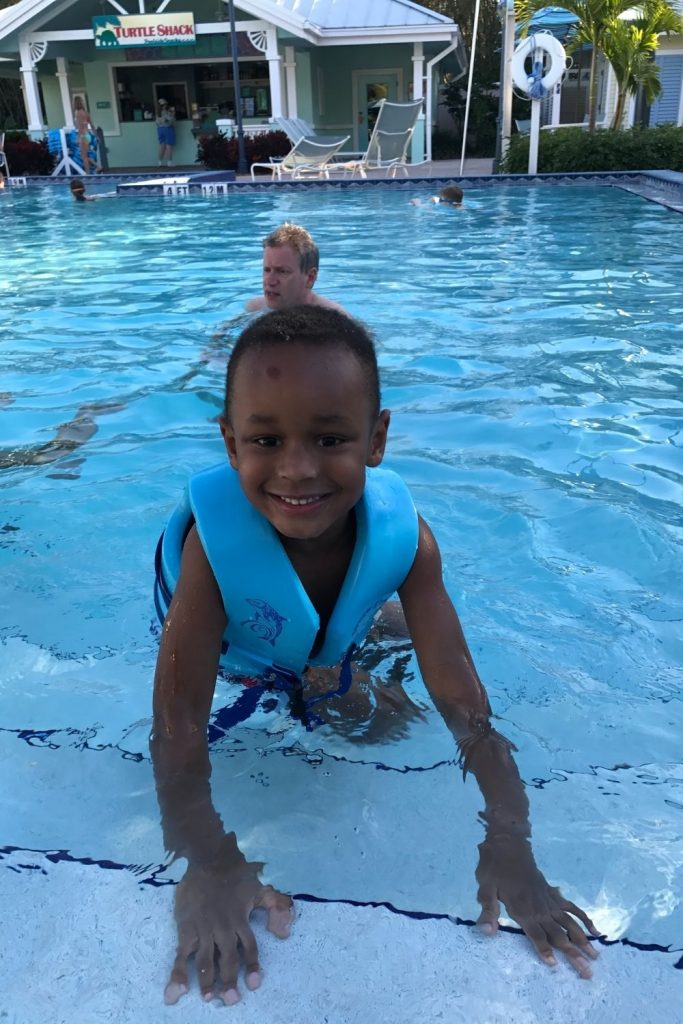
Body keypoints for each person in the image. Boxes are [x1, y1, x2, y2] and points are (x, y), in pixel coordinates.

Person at [151, 306, 600, 1007]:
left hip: (339, 620)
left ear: (377, 437)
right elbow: (178, 719)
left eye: (330, 438)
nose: (297, 470)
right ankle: (330, 659)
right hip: (245, 650)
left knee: (389, 715)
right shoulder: (211, 553)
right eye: (266, 439)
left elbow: (462, 701)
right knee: (351, 714)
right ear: (230, 444)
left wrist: (509, 840)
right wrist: (208, 860)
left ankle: (343, 648)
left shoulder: (407, 542)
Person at [245, 223, 345, 313]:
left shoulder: (336, 319)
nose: (270, 281)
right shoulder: (256, 308)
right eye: (267, 270)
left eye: (282, 271)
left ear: (310, 278)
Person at [73, 96, 100, 175]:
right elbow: (92, 125)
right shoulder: (86, 113)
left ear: (75, 104)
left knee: (84, 157)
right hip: (88, 135)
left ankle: (87, 174)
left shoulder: (78, 113)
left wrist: (78, 138)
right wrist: (96, 136)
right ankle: (97, 166)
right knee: (85, 155)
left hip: (83, 136)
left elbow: (80, 127)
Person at [156, 99, 176, 167]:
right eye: (165, 104)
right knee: (168, 146)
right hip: (168, 129)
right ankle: (169, 162)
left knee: (162, 145)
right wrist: (173, 114)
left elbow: (157, 123)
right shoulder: (167, 112)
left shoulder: (157, 113)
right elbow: (171, 120)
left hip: (160, 129)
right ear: (164, 105)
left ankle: (159, 162)